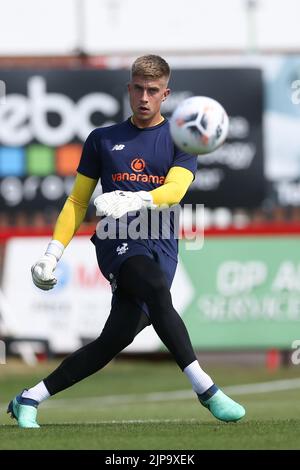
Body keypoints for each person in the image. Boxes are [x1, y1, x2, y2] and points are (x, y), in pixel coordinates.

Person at [7, 55, 245, 428]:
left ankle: (29, 398)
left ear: (165, 94)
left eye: (153, 90)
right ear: (129, 89)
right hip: (117, 236)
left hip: (162, 243)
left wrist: (140, 198)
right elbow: (76, 202)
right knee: (151, 284)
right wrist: (52, 254)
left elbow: (177, 188)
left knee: (111, 341)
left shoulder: (183, 137)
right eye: (138, 88)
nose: (144, 97)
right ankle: (207, 389)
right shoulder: (102, 139)